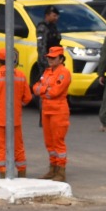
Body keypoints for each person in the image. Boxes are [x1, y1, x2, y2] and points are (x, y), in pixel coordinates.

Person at [0, 49, 31, 177]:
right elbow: (27, 98)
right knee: (18, 148)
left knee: (1, 148)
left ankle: (4, 175)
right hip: (15, 119)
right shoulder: (20, 75)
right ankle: (22, 174)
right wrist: (17, 105)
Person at [36, 46, 72, 180]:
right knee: (49, 142)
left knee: (58, 141)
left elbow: (55, 92)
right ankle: (53, 168)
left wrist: (43, 90)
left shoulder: (64, 73)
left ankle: (61, 172)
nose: (50, 60)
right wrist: (46, 90)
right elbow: (35, 88)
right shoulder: (47, 72)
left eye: (53, 57)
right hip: (46, 110)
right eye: (49, 57)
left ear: (61, 59)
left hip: (59, 111)